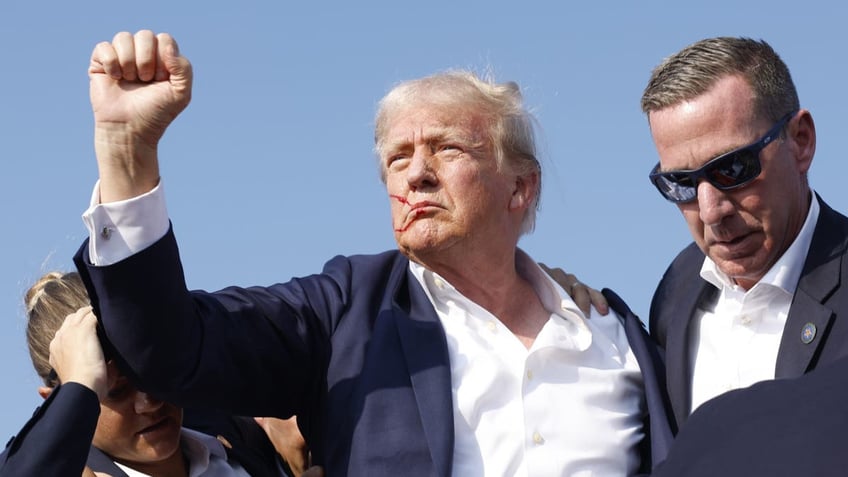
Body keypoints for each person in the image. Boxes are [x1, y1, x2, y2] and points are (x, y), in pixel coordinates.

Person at [74, 30, 672, 475]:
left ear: (521, 186)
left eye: (446, 149)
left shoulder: (615, 333)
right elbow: (170, 347)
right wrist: (128, 155)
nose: (416, 174)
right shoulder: (344, 315)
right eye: (397, 158)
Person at [642, 36, 848, 430]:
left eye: (733, 168)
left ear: (801, 142)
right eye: (680, 183)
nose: (710, 210)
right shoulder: (673, 297)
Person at [0, 271, 293, 477]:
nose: (148, 402)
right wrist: (80, 386)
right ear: (58, 403)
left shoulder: (237, 434)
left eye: (153, 373)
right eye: (114, 390)